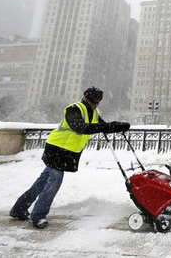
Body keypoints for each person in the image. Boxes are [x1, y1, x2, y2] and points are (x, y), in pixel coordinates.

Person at [9, 86, 130, 228]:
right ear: (86, 98)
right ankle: (38, 215)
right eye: (94, 100)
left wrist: (117, 126)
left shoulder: (93, 113)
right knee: (55, 180)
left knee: (42, 181)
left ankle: (19, 208)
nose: (96, 103)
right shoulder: (74, 108)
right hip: (56, 149)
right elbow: (80, 127)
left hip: (67, 152)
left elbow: (103, 126)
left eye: (98, 101)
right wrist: (108, 126)